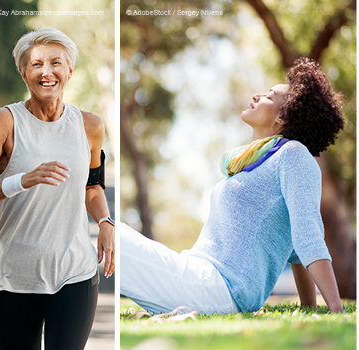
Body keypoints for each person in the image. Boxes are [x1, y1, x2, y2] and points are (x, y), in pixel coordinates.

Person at [121, 57, 345, 315]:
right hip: (199, 276)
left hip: (219, 288)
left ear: (283, 115)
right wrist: (309, 307)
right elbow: (294, 248)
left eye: (269, 96)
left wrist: (335, 308)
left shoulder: (293, 155)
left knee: (112, 236)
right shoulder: (256, 161)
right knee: (112, 235)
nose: (257, 95)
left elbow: (308, 236)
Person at [0, 28, 114, 350]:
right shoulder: (3, 121)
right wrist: (22, 180)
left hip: (75, 272)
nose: (47, 72)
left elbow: (93, 186)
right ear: (23, 71)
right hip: (13, 276)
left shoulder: (90, 126)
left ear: (69, 70)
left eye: (56, 63)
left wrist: (105, 222)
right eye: (36, 64)